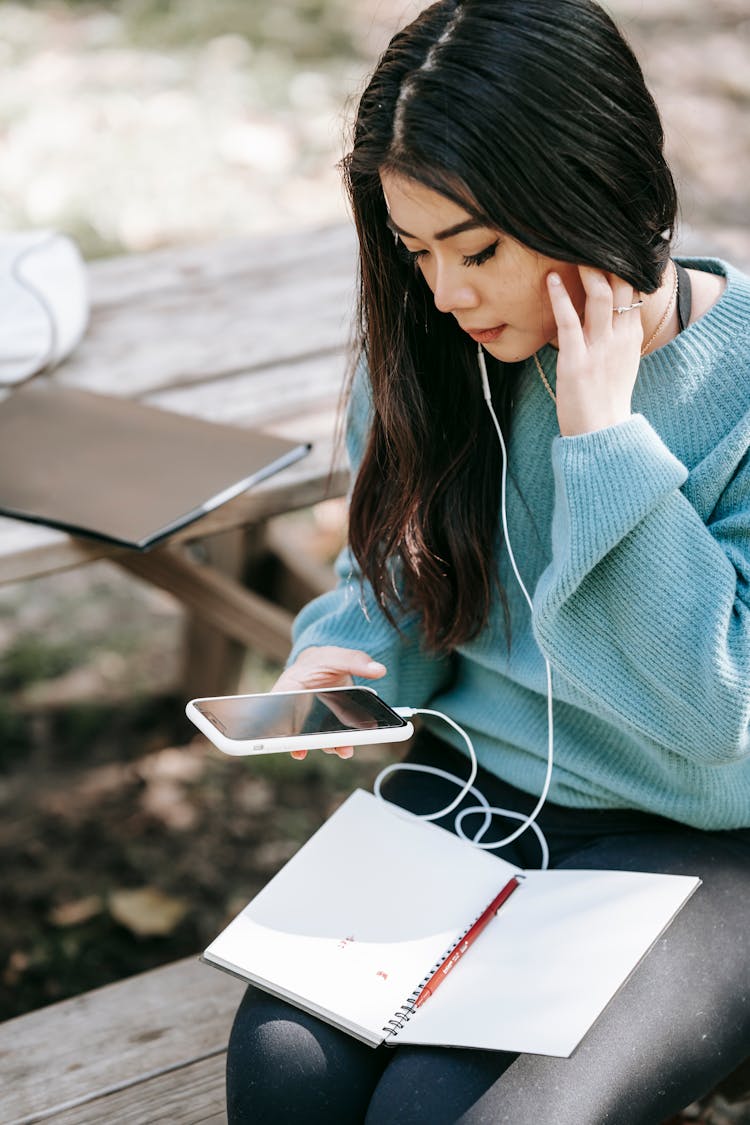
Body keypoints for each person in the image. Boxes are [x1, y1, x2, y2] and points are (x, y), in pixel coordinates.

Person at [225, 1, 750, 1121]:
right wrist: (342, 666)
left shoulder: (740, 386)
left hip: (701, 840)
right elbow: (391, 580)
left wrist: (605, 442)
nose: (446, 294)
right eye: (415, 252)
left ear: (594, 190)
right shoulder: (438, 350)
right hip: (477, 791)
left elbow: (726, 722)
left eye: (478, 250)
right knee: (285, 1078)